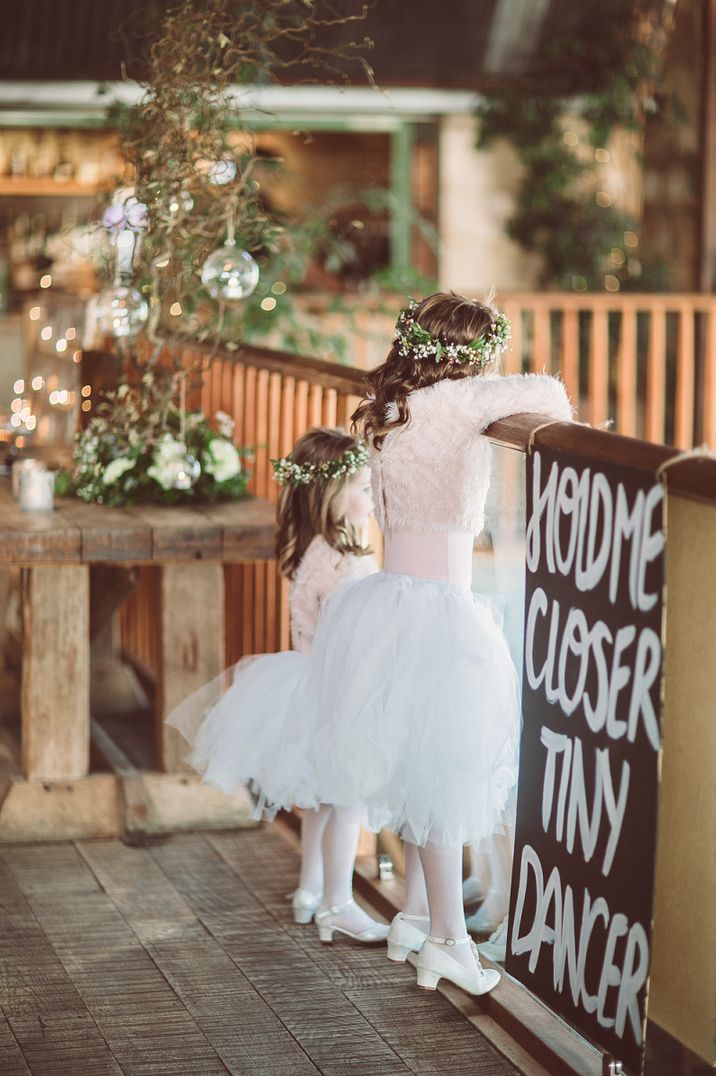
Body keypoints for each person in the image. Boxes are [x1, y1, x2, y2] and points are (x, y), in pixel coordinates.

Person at [309, 291, 574, 995]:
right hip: (443, 610)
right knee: (447, 774)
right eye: (487, 351)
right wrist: (484, 384)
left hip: (392, 599)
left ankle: (421, 921)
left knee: (427, 772)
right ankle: (448, 939)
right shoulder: (459, 403)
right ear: (468, 357)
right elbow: (551, 396)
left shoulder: (391, 409)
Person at [167, 427, 389, 944]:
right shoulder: (341, 561)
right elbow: (350, 638)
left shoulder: (313, 549)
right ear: (331, 496)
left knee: (320, 798)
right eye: (363, 485)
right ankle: (338, 904)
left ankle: (310, 889)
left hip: (305, 683)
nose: (373, 496)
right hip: (336, 689)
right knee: (345, 799)